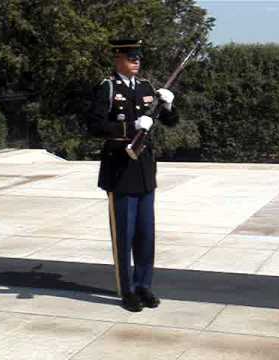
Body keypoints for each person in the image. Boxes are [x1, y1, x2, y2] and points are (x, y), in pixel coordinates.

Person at [87, 39, 179, 312]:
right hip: (120, 171)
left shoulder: (146, 87)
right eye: (131, 57)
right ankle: (126, 289)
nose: (136, 61)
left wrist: (170, 106)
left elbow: (171, 122)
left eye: (138, 57)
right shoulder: (108, 88)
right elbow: (94, 125)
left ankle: (143, 285)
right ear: (118, 59)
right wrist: (129, 126)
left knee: (145, 235)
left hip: (144, 172)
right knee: (124, 236)